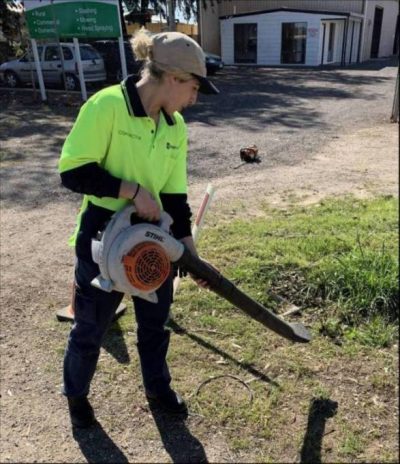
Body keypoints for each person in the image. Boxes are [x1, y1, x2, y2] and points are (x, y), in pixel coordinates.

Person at [58, 30, 219, 428]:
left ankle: (157, 388)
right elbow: (73, 172)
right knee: (90, 327)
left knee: (155, 321)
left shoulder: (175, 127)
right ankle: (77, 397)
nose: (194, 99)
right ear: (174, 79)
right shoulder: (107, 106)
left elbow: (176, 198)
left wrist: (188, 252)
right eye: (194, 88)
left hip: (155, 239)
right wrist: (130, 190)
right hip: (104, 235)